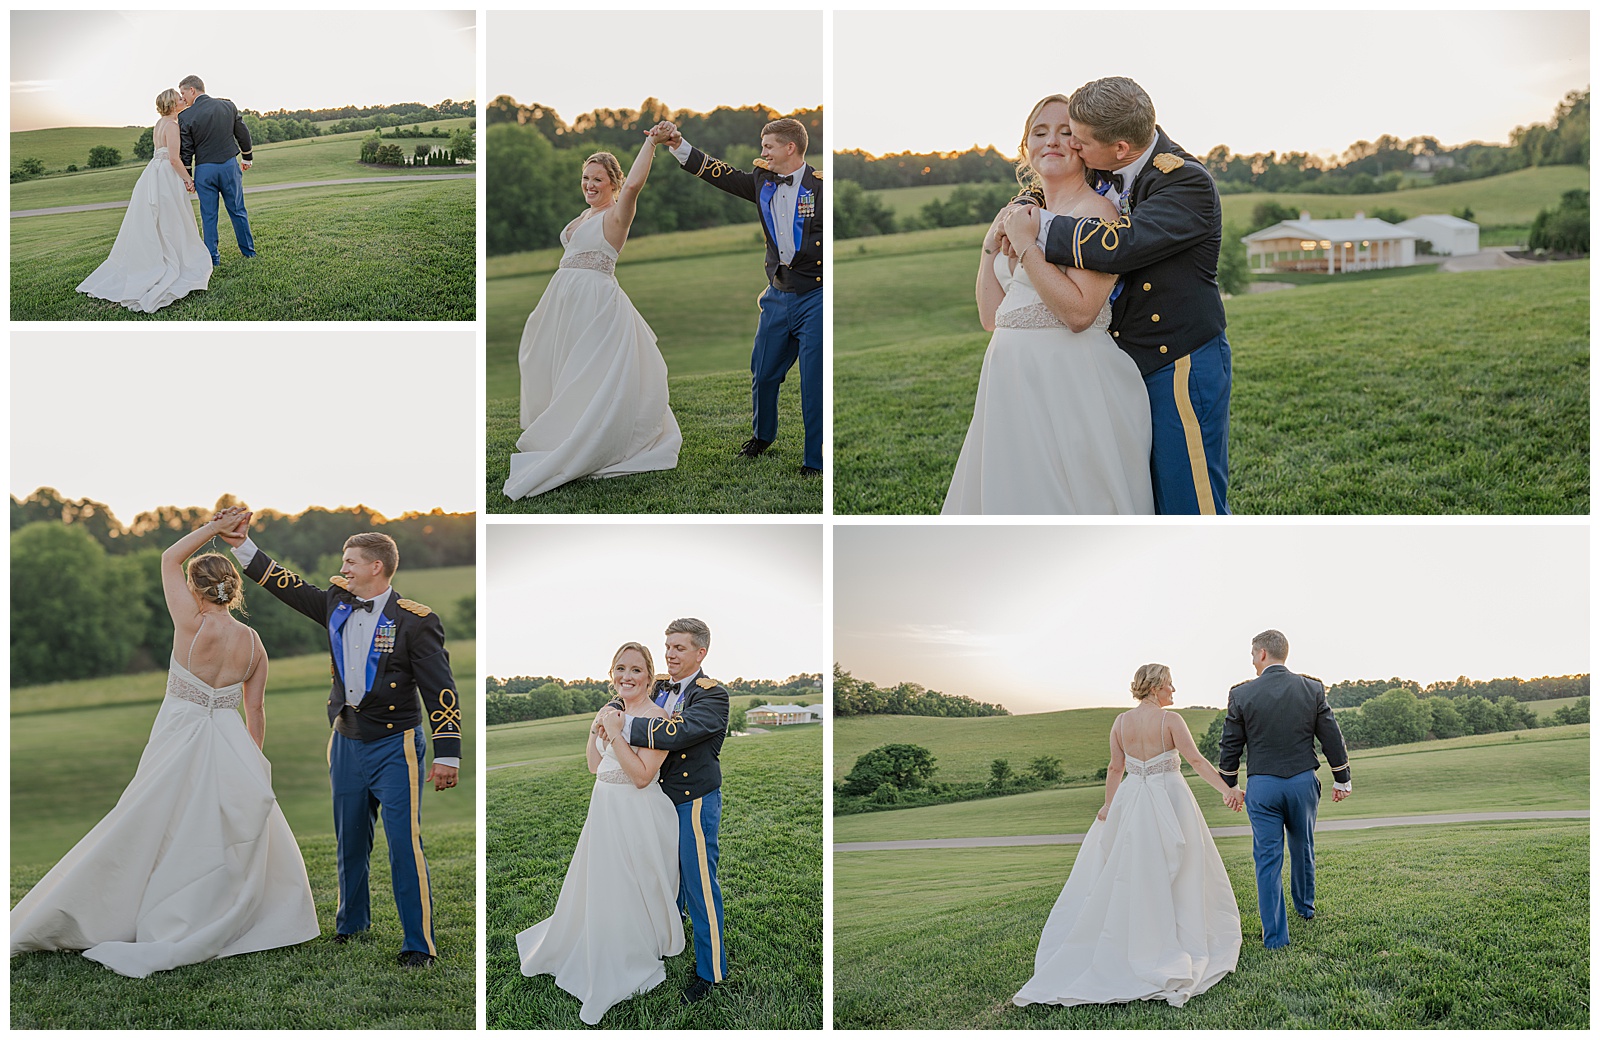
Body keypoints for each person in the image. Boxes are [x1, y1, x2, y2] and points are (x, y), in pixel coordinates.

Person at [10, 507, 319, 977]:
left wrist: (215, 528)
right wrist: (254, 760)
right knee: (212, 829)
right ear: (234, 589)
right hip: (230, 740)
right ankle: (209, 907)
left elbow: (168, 558)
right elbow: (255, 711)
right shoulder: (254, 644)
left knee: (150, 818)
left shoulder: (191, 623)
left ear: (197, 589)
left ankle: (116, 907)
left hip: (181, 732)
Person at [218, 513, 462, 967]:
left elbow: (440, 688)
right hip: (345, 741)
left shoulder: (415, 621)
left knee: (403, 845)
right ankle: (351, 924)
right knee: (349, 841)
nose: (343, 568)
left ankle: (418, 943)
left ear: (377, 567)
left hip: (396, 745)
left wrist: (448, 753)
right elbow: (287, 584)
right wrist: (242, 545)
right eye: (343, 561)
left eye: (351, 562)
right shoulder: (335, 603)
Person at [1002, 77, 1230, 515]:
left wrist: (1033, 229)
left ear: (1120, 147)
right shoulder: (1111, 160)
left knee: (1188, 500)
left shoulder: (1185, 183)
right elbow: (1057, 184)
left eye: (1079, 140)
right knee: (1135, 493)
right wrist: (1025, 202)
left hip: (1177, 362)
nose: (1075, 148)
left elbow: (1119, 246)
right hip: (1122, 364)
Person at [943, 95, 1154, 514]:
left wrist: (1024, 245)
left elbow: (1079, 313)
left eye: (1065, 133)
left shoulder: (1097, 212)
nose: (1052, 141)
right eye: (1040, 133)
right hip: (1011, 380)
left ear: (1082, 146)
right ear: (1026, 147)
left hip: (1072, 381)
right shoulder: (1023, 213)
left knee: (1072, 500)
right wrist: (990, 247)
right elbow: (991, 317)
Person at [1014, 664, 1242, 1008]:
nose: (1173, 691)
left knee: (1135, 871)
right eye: (1169, 684)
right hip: (1171, 800)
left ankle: (1140, 937)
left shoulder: (1120, 723)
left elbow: (1115, 768)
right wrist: (1228, 790)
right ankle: (1175, 939)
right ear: (1155, 687)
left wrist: (1109, 806)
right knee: (1182, 868)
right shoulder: (1171, 721)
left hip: (1132, 801)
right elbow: (1195, 760)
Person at [505, 130, 682, 499]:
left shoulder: (618, 213)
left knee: (588, 371)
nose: (589, 184)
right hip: (564, 301)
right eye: (585, 178)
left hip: (596, 303)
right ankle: (565, 429)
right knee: (558, 366)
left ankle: (591, 440)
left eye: (597, 179)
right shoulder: (584, 214)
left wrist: (651, 144)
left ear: (613, 183)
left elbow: (635, 185)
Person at [517, 642, 684, 1024]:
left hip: (639, 811)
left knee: (634, 881)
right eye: (620, 669)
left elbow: (642, 776)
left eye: (636, 670)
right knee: (604, 881)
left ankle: (632, 950)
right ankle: (597, 938)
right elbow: (595, 767)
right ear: (612, 675)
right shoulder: (612, 712)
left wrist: (616, 732)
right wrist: (595, 731)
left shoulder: (659, 719)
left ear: (649, 676)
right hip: (605, 806)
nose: (627, 677)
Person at [651, 117, 823, 477]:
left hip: (816, 295)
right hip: (777, 293)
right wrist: (677, 145)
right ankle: (762, 436)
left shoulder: (822, 188)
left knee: (813, 382)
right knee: (763, 372)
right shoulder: (762, 180)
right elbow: (721, 173)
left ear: (790, 148)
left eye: (768, 147)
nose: (762, 153)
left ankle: (815, 460)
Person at [616, 618, 730, 1004]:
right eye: (667, 646)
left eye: (679, 647)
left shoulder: (713, 695)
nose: (669, 653)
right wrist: (614, 708)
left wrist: (619, 727)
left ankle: (709, 973)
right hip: (656, 802)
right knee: (664, 878)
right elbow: (629, 695)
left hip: (693, 799)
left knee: (698, 885)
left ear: (701, 652)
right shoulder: (661, 686)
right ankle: (668, 942)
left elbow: (676, 733)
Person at [1219, 629, 1352, 949]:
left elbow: (1230, 746)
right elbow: (1331, 737)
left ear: (1263, 653)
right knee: (1303, 846)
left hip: (1263, 786)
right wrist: (1342, 777)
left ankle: (1276, 938)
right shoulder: (1312, 688)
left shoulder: (1241, 694)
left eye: (1253, 655)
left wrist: (1230, 786)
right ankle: (1305, 908)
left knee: (1267, 859)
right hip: (1302, 782)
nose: (1252, 661)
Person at [75, 87, 213, 312]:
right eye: (179, 98)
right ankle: (174, 260)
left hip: (152, 174)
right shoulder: (172, 125)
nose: (182, 100)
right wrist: (189, 180)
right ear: (171, 104)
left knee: (159, 220)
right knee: (173, 219)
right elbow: (174, 159)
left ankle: (161, 255)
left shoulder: (159, 125)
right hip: (166, 176)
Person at [177, 75, 256, 266]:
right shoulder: (227, 106)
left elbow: (186, 150)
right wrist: (247, 157)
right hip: (229, 166)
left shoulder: (185, 116)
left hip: (204, 171)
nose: (182, 98)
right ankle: (249, 253)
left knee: (209, 215)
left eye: (183, 93)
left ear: (193, 90)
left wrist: (187, 176)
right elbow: (242, 132)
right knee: (237, 210)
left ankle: (213, 259)